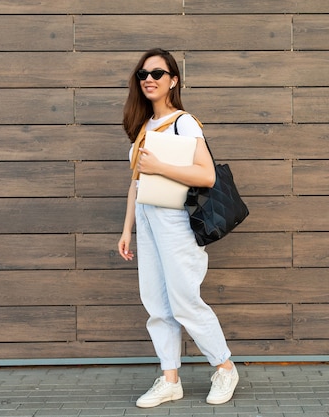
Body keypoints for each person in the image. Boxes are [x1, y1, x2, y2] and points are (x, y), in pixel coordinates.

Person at [117, 48, 239, 408]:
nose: (149, 79)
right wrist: (127, 230)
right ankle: (170, 379)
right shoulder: (143, 127)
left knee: (185, 300)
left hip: (175, 221)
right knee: (156, 303)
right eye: (143, 74)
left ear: (173, 80)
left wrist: (159, 167)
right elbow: (135, 183)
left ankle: (225, 367)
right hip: (147, 219)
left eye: (157, 73)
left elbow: (206, 174)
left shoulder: (184, 122)